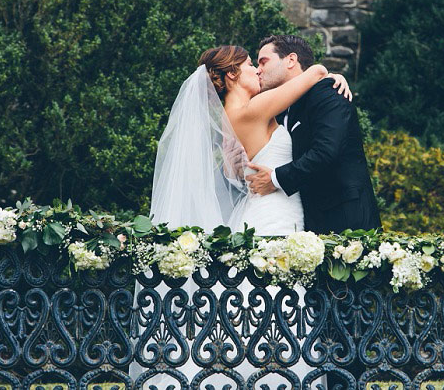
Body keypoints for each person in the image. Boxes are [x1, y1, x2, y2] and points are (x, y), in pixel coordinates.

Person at [137, 43, 351, 389]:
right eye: (251, 65)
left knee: (262, 310)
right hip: (273, 214)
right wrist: (329, 75)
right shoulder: (249, 110)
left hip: (266, 208)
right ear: (233, 74)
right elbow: (311, 74)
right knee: (279, 309)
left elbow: (239, 170)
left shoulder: (231, 114)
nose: (258, 71)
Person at [246, 35, 381, 235]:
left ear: (291, 60)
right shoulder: (280, 108)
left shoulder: (329, 94)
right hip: (305, 221)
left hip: (345, 221)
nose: (259, 70)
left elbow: (326, 151)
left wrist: (275, 179)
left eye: (263, 62)